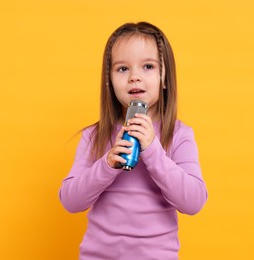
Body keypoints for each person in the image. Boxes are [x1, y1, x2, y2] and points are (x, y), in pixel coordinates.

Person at [59, 21, 208, 259]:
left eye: (148, 66)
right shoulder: (94, 137)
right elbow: (70, 201)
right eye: (122, 69)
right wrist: (106, 165)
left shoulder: (179, 135)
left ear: (165, 78)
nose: (134, 77)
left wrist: (153, 151)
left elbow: (193, 202)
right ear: (108, 81)